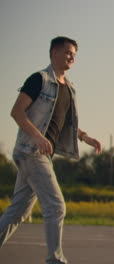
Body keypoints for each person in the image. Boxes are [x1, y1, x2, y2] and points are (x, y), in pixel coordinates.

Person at [0, 36, 102, 264]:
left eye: (75, 54)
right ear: (54, 52)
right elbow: (17, 111)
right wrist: (37, 137)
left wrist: (86, 137)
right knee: (56, 206)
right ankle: (55, 260)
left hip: (40, 154)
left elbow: (66, 124)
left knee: (18, 212)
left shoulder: (70, 88)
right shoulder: (40, 79)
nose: (72, 57)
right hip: (30, 151)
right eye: (68, 52)